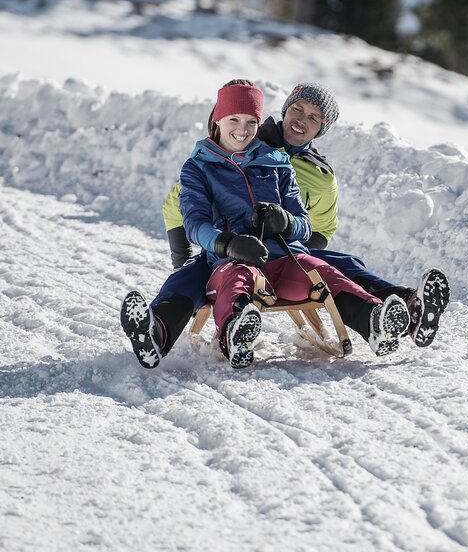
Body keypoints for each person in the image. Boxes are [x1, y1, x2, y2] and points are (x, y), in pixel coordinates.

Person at [121, 80, 410, 369]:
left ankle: (374, 321)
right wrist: (227, 244)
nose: (242, 129)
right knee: (231, 279)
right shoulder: (199, 167)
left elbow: (306, 225)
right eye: (234, 119)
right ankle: (221, 335)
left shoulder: (278, 163)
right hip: (232, 260)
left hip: (284, 258)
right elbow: (194, 222)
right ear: (217, 119)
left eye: (251, 122)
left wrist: (286, 222)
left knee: (323, 271)